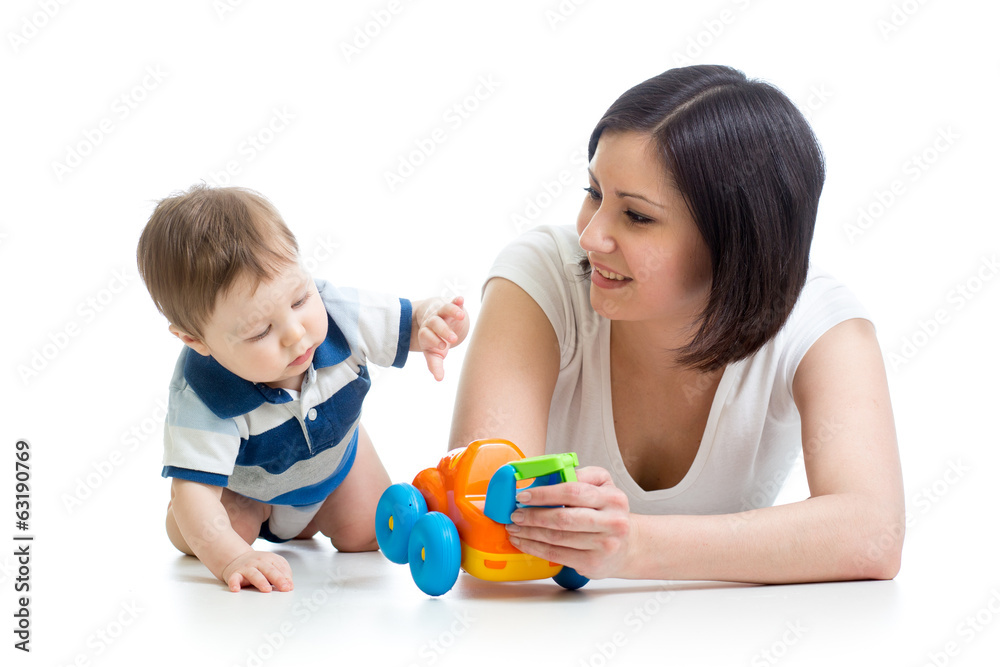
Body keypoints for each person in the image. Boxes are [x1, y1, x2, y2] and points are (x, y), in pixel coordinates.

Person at [449, 65, 904, 584]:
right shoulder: (541, 279)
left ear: (735, 246)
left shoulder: (821, 327)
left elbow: (873, 532)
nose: (592, 236)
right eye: (594, 192)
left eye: (637, 216)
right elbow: (483, 510)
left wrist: (634, 547)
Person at [137, 184, 468, 592]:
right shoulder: (204, 395)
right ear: (197, 341)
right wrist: (232, 558)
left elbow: (412, 320)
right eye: (260, 331)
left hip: (337, 460)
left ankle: (309, 519)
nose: (296, 334)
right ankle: (197, 524)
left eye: (298, 300)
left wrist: (435, 321)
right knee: (216, 530)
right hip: (249, 489)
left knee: (368, 533)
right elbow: (196, 493)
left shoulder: (339, 312)